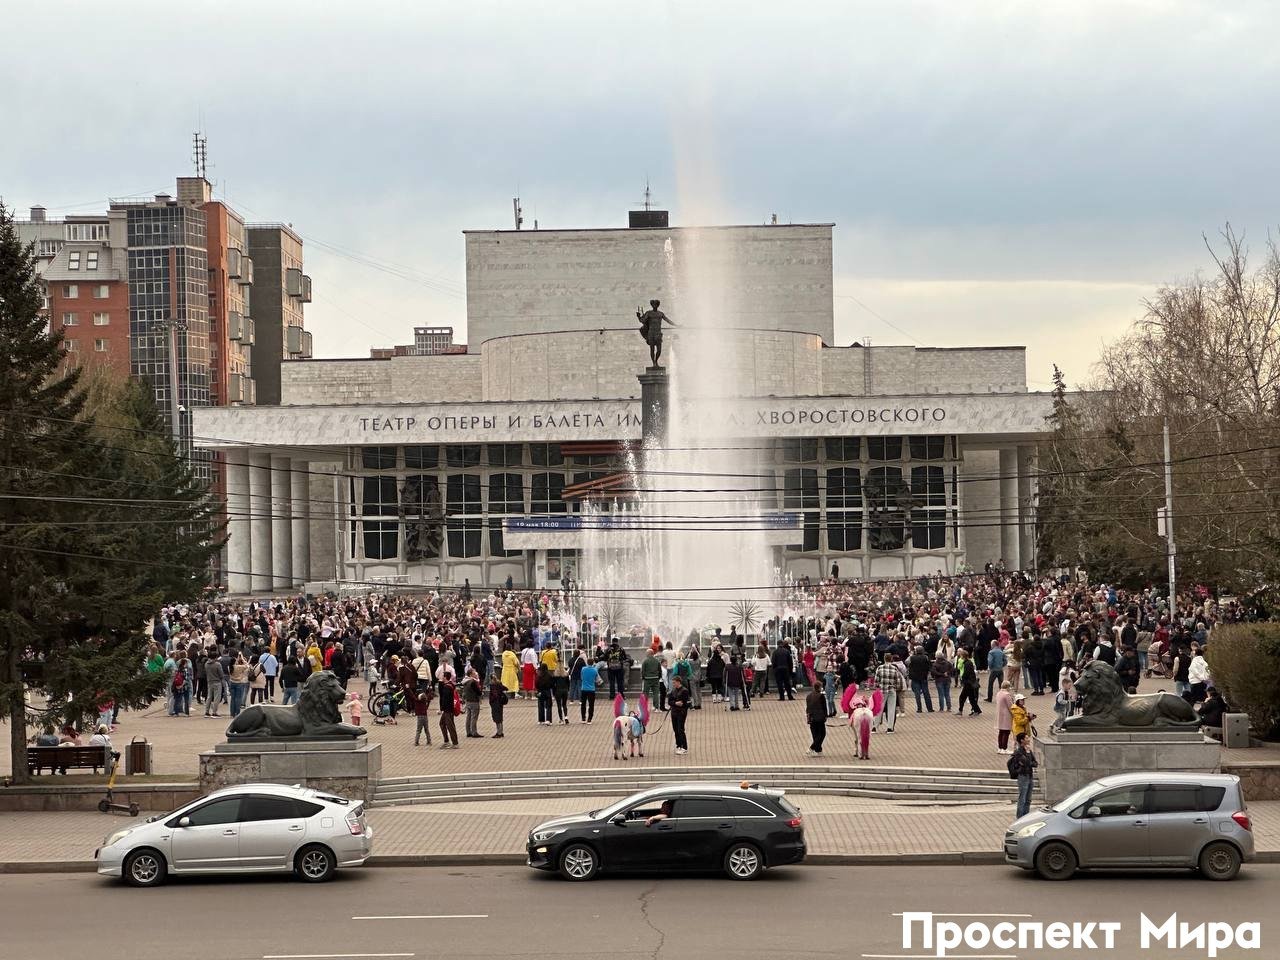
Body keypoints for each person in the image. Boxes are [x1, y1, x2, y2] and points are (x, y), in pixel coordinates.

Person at [1009, 732, 1038, 818]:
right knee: (1022, 798)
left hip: (1030, 776)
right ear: (1022, 740)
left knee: (1028, 799)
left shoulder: (1028, 750)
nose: (1028, 739)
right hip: (1023, 776)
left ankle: (1026, 817)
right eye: (1026, 738)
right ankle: (1020, 817)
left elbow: (1035, 763)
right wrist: (1028, 754)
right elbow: (1026, 762)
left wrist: (1030, 759)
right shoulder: (1019, 752)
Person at [875, 653, 906, 731]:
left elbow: (876, 681)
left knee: (879, 708)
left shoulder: (880, 668)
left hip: (882, 690)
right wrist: (894, 687)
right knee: (891, 709)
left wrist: (878, 687)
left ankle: (875, 726)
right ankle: (890, 727)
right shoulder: (894, 668)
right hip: (892, 690)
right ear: (891, 659)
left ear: (884, 659)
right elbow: (898, 681)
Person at [954, 649, 982, 716]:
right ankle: (976, 710)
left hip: (968, 683)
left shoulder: (967, 663)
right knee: (970, 698)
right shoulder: (968, 662)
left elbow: (966, 673)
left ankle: (963, 710)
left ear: (963, 656)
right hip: (969, 683)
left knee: (963, 697)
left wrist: (962, 678)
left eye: (961, 655)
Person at [907, 645, 934, 713]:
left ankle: (919, 709)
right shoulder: (926, 657)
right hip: (923, 677)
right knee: (926, 693)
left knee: (917, 693)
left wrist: (911, 655)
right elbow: (929, 666)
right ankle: (930, 708)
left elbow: (906, 662)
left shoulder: (912, 657)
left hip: (915, 677)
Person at [668, 675, 691, 755]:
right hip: (674, 712)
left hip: (681, 713)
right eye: (673, 683)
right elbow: (669, 701)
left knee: (680, 729)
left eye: (674, 683)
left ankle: (684, 747)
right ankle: (678, 745)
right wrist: (675, 703)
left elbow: (688, 703)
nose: (673, 684)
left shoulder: (684, 691)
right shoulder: (673, 690)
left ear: (678, 682)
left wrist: (682, 705)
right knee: (675, 730)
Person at [437, 670, 460, 748]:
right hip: (449, 709)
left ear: (445, 677)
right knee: (442, 723)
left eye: (442, 676)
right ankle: (446, 741)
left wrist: (442, 708)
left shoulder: (447, 687)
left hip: (448, 710)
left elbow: (446, 700)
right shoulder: (451, 685)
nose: (441, 678)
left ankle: (455, 743)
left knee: (450, 726)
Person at [805, 684, 827, 755]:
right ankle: (811, 748)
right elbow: (824, 707)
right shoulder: (821, 696)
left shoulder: (808, 696)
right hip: (819, 717)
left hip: (811, 717)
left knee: (815, 734)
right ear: (819, 687)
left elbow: (807, 707)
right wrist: (825, 716)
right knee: (822, 734)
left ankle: (818, 750)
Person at [462, 667, 484, 738]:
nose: (476, 674)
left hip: (468, 701)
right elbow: (478, 692)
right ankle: (474, 732)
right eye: (474, 673)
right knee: (474, 717)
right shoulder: (473, 682)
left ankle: (468, 732)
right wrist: (481, 693)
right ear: (471, 674)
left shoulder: (465, 681)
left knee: (468, 717)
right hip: (474, 701)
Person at [488, 667, 508, 738]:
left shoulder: (492, 685)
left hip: (495, 703)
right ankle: (501, 732)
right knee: (500, 717)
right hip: (500, 703)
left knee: (497, 718)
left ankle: (498, 733)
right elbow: (506, 688)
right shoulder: (499, 683)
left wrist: (491, 701)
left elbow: (494, 694)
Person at [994, 681, 1014, 754]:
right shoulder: (1007, 695)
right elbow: (1011, 706)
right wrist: (1014, 714)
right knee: (1006, 732)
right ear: (1007, 687)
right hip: (1006, 715)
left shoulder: (999, 693)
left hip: (1000, 714)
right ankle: (1004, 748)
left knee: (1001, 732)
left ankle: (1000, 748)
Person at [203, 651, 225, 717]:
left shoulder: (206, 664)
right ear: (215, 657)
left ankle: (206, 711)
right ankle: (214, 712)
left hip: (209, 681)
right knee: (216, 698)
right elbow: (221, 674)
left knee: (209, 697)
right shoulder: (217, 664)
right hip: (217, 682)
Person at [579, 657, 599, 723]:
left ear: (587, 662)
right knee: (591, 705)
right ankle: (589, 719)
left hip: (584, 689)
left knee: (583, 704)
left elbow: (581, 678)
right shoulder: (595, 670)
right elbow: (597, 680)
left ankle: (583, 718)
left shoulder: (583, 669)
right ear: (593, 663)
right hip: (591, 689)